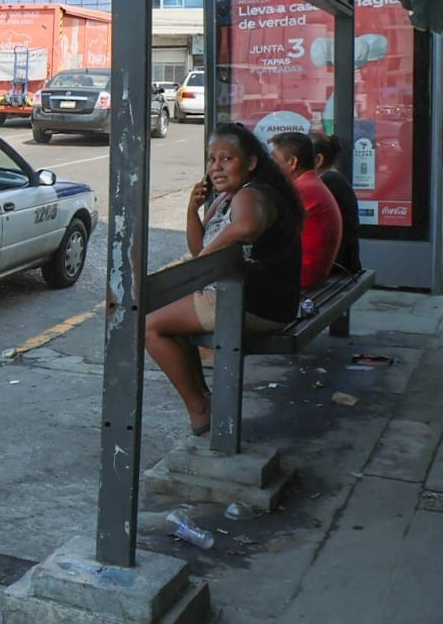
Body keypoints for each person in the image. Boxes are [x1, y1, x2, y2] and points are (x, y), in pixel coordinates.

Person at [144, 123, 303, 435]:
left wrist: (206, 259)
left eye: (226, 159)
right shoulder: (226, 197)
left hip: (251, 302)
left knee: (147, 324)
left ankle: (200, 408)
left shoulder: (252, 194)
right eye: (211, 159)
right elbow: (198, 247)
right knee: (165, 316)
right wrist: (192, 210)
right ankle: (203, 399)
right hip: (243, 296)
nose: (216, 167)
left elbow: (246, 228)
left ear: (251, 162)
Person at [269, 131, 342, 290]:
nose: (270, 165)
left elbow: (264, 227)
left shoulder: (303, 189)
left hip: (302, 277)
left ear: (292, 163)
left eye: (274, 159)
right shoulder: (311, 183)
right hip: (309, 273)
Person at [311, 131, 362, 274]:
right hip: (343, 262)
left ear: (318, 160)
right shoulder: (333, 179)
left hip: (337, 266)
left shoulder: (326, 183)